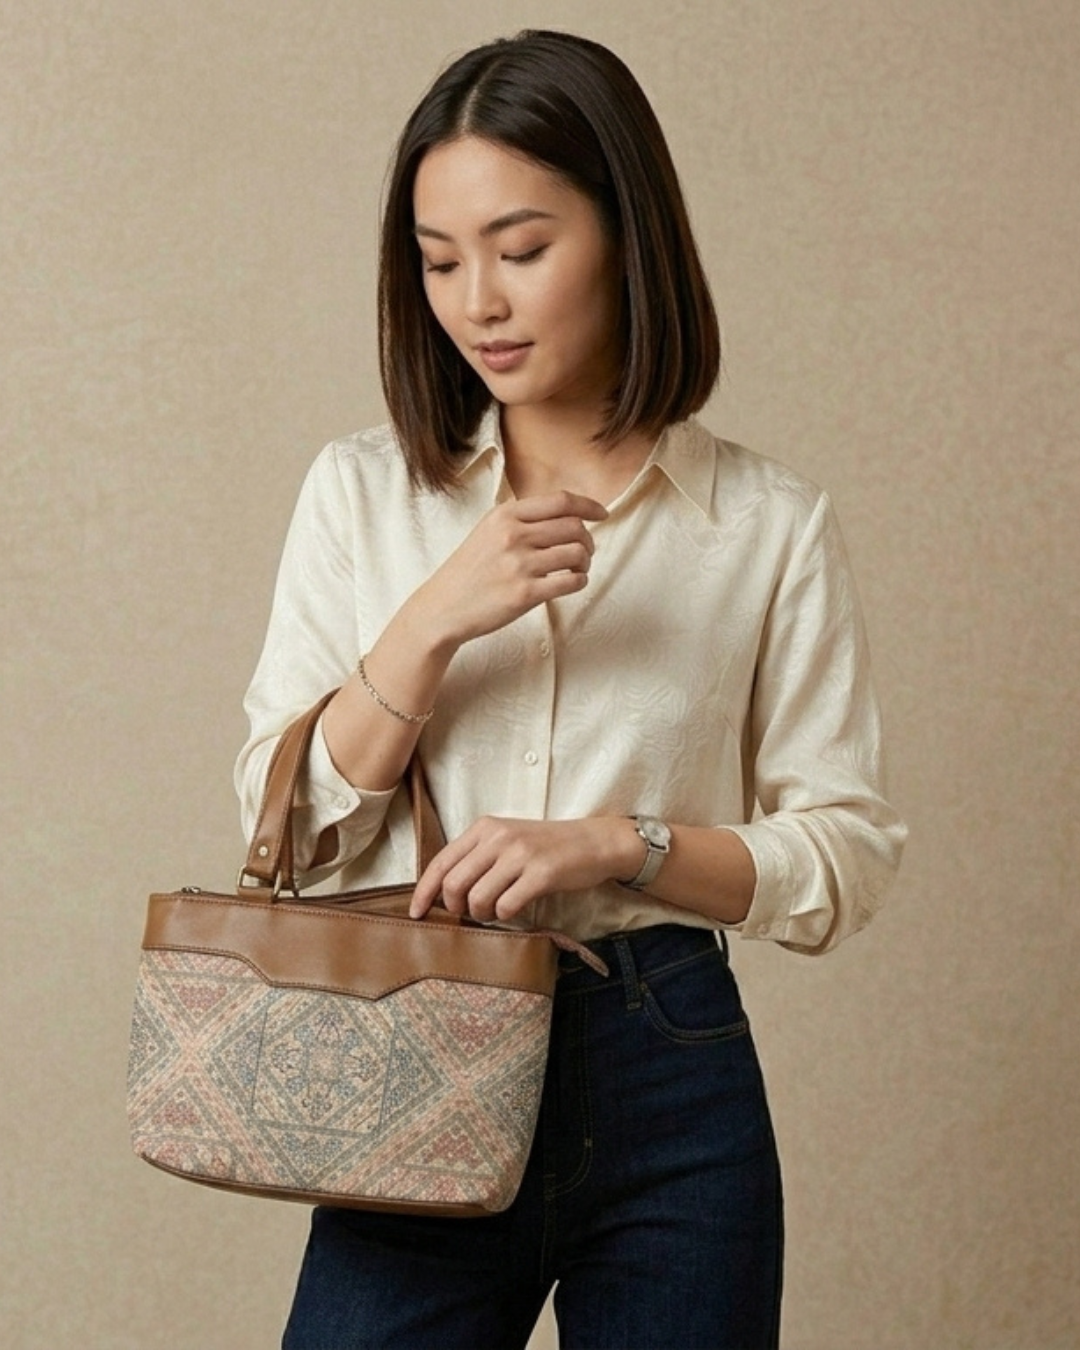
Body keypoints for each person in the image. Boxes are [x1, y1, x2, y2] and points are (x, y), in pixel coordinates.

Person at [235, 28, 906, 1350]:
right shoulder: (362, 494)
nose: (477, 300)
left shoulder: (765, 525)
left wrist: (619, 843)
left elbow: (847, 854)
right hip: (418, 1032)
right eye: (440, 262)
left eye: (522, 248)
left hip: (668, 1063)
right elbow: (289, 828)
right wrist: (431, 622)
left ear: (625, 236)